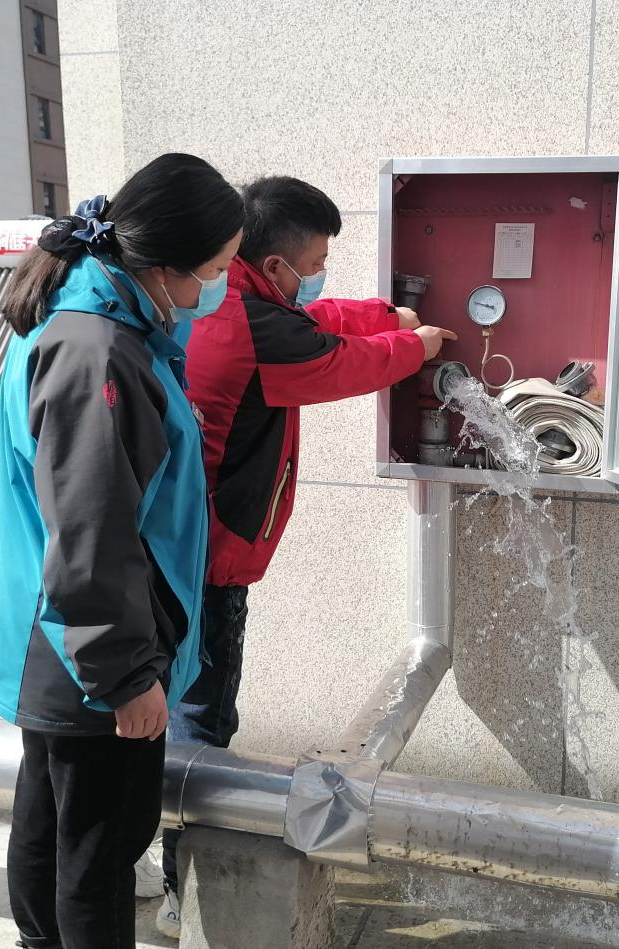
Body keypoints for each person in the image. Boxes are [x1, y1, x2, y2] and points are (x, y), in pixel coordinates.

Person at [155, 176, 456, 935]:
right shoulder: (252, 326)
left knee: (182, 707)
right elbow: (334, 360)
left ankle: (156, 860)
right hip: (210, 557)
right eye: (316, 260)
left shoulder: (235, 300)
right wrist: (413, 346)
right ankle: (179, 886)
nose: (320, 273)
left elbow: (315, 320)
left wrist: (386, 315)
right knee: (201, 719)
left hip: (187, 544)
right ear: (275, 263)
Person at [0, 153, 244, 949]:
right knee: (97, 851)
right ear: (162, 267)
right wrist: (125, 678)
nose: (216, 287)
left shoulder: (97, 318)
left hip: (62, 637)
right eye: (214, 270)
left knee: (50, 819)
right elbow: (92, 531)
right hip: (86, 650)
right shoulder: (97, 351)